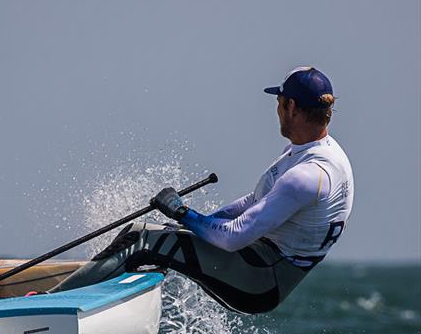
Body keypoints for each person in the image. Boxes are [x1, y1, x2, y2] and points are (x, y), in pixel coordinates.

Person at [55, 67, 354, 314]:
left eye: (279, 101)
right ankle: (93, 304)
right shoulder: (316, 152)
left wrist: (183, 212)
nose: (276, 109)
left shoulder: (307, 175)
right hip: (260, 266)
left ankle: (49, 306)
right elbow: (254, 202)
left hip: (259, 280)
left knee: (143, 237)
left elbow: (234, 236)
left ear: (290, 106)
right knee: (160, 236)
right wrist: (195, 224)